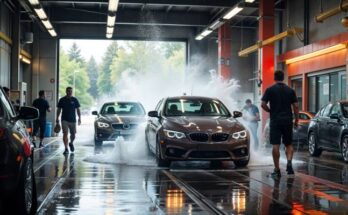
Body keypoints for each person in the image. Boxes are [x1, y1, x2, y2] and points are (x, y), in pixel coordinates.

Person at [261, 70, 299, 179]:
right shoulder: (290, 90)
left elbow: (263, 104)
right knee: (289, 144)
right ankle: (289, 163)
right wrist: (296, 120)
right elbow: (296, 106)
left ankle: (277, 170)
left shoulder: (270, 90)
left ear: (274, 78)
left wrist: (270, 111)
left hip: (275, 120)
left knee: (275, 145)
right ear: (283, 78)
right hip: (287, 120)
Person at [56, 87, 81, 155]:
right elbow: (59, 109)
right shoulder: (62, 100)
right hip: (64, 120)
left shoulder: (75, 99)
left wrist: (79, 118)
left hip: (73, 120)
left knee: (73, 134)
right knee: (65, 134)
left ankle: (71, 143)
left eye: (71, 91)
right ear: (66, 91)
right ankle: (66, 148)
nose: (70, 92)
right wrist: (57, 118)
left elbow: (78, 109)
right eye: (68, 91)